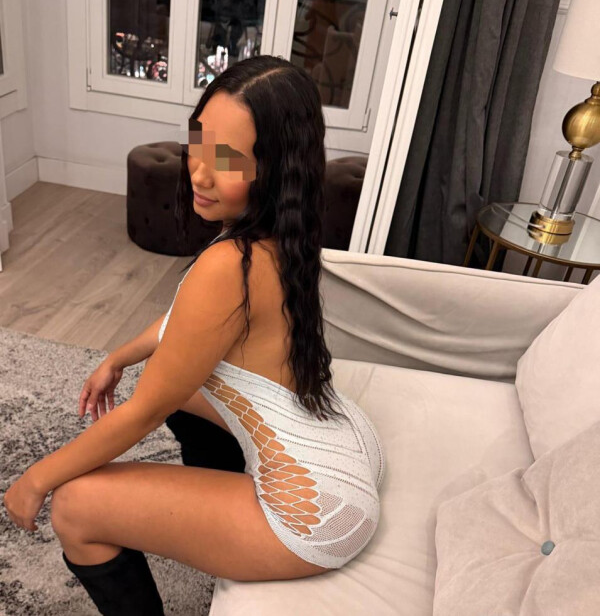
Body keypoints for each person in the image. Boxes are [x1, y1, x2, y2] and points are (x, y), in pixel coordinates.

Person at [3, 55, 385, 615]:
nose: (199, 173)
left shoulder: (229, 265)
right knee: (184, 385)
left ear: (274, 170)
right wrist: (120, 355)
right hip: (342, 449)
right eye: (198, 145)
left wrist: (36, 478)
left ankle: (222, 509)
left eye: (225, 159)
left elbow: (144, 412)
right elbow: (188, 325)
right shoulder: (284, 235)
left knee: (74, 505)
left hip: (312, 512)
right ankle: (214, 496)